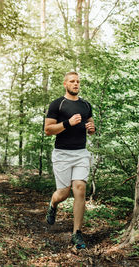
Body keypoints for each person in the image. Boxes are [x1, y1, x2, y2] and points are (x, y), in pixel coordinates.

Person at [44, 71, 95, 249]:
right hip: (62, 154)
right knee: (64, 193)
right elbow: (48, 130)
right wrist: (67, 123)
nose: (76, 84)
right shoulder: (57, 104)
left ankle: (77, 234)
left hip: (81, 152)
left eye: (78, 81)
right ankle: (53, 203)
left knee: (80, 188)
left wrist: (91, 128)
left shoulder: (86, 105)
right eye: (72, 81)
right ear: (65, 84)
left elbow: (91, 126)